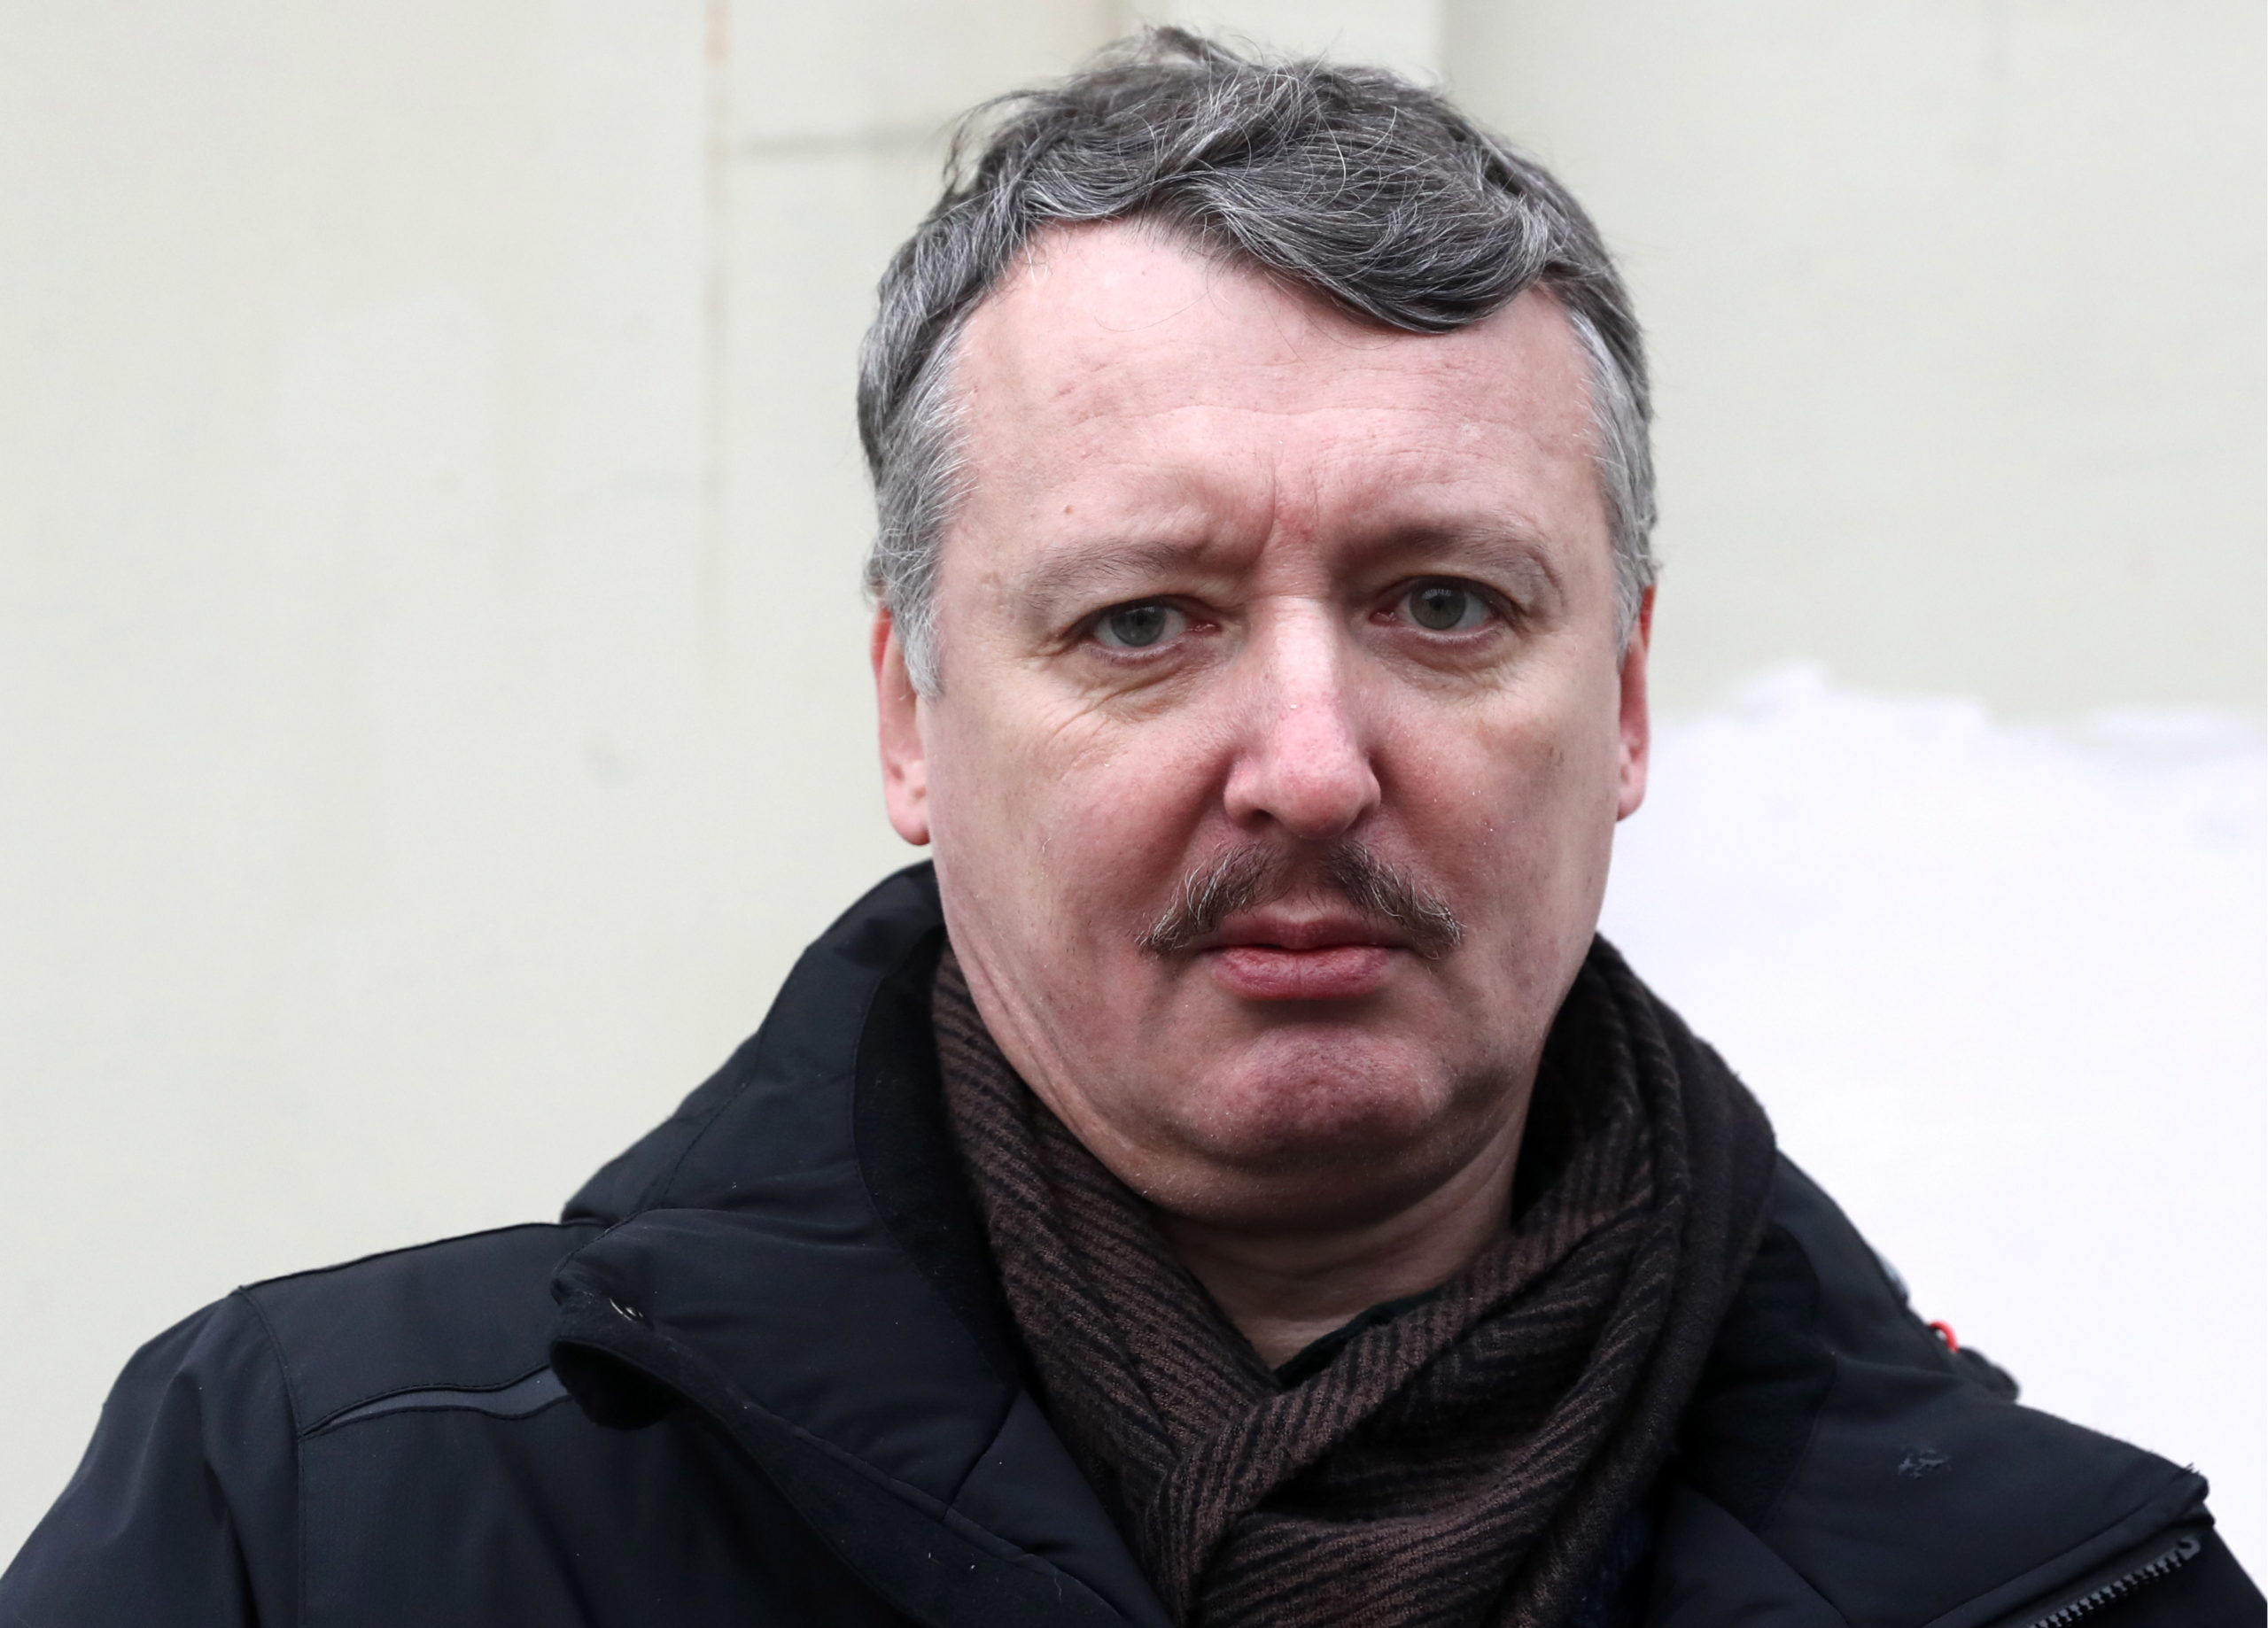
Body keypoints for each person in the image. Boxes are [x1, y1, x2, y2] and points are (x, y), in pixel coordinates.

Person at [2, 30, 2256, 1628]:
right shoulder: (320, 1519)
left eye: (1441, 605)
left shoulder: (2047, 1586)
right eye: (1143, 621)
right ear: (911, 713)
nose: (1308, 760)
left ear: (1628, 700)